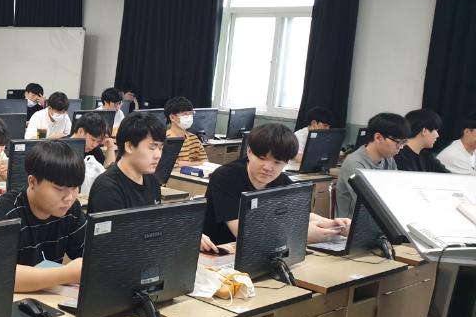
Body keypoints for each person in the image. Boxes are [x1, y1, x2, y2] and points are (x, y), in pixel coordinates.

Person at [88, 112, 219, 252]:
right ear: (129, 147)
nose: (158, 155)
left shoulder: (152, 180)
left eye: (160, 148)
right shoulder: (107, 188)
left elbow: (153, 227)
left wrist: (185, 232)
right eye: (152, 148)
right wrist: (178, 236)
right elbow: (120, 242)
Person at [203, 124, 350, 247]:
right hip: (219, 252)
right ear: (249, 152)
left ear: (286, 163)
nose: (268, 168)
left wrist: (334, 225)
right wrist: (300, 236)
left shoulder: (282, 181)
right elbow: (243, 232)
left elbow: (300, 214)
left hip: (262, 251)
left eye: (277, 162)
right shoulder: (225, 177)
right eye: (262, 158)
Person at [0, 140, 86, 292]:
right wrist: (65, 274)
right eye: (59, 189)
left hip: (45, 297)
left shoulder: (71, 210)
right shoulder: (6, 212)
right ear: (33, 181)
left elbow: (90, 256)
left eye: (75, 188)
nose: (69, 198)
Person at [335, 113, 410, 217]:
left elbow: (397, 190)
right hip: (353, 222)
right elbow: (368, 204)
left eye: (404, 142)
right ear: (378, 137)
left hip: (380, 217)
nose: (401, 147)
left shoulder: (389, 160)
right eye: (398, 142)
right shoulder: (355, 163)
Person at [394, 109, 450, 173]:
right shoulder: (399, 155)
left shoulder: (427, 157)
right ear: (424, 131)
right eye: (436, 130)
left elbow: (448, 176)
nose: (437, 135)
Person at [164, 96, 207, 166]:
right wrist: (195, 163)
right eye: (185, 114)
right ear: (172, 117)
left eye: (191, 113)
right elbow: (170, 166)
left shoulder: (194, 139)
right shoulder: (165, 140)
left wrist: (187, 164)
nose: (189, 117)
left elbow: (205, 163)